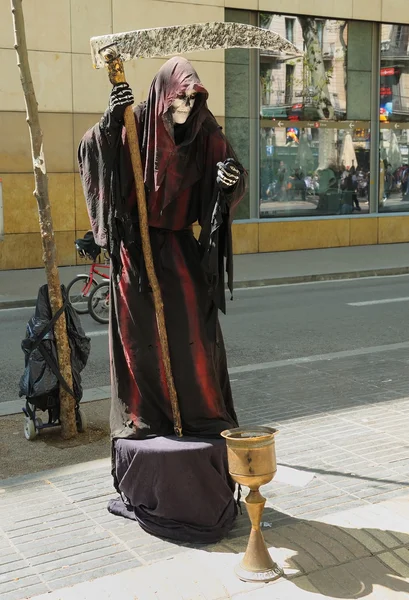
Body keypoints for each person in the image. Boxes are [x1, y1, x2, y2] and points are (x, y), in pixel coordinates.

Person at [78, 57, 246, 443]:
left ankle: (198, 414)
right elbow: (92, 150)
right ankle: (146, 418)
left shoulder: (205, 131)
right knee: (141, 341)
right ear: (163, 96)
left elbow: (230, 169)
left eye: (192, 98)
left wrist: (228, 180)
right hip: (135, 255)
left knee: (195, 336)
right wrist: (109, 121)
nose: (185, 107)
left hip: (181, 252)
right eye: (178, 98)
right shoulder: (133, 122)